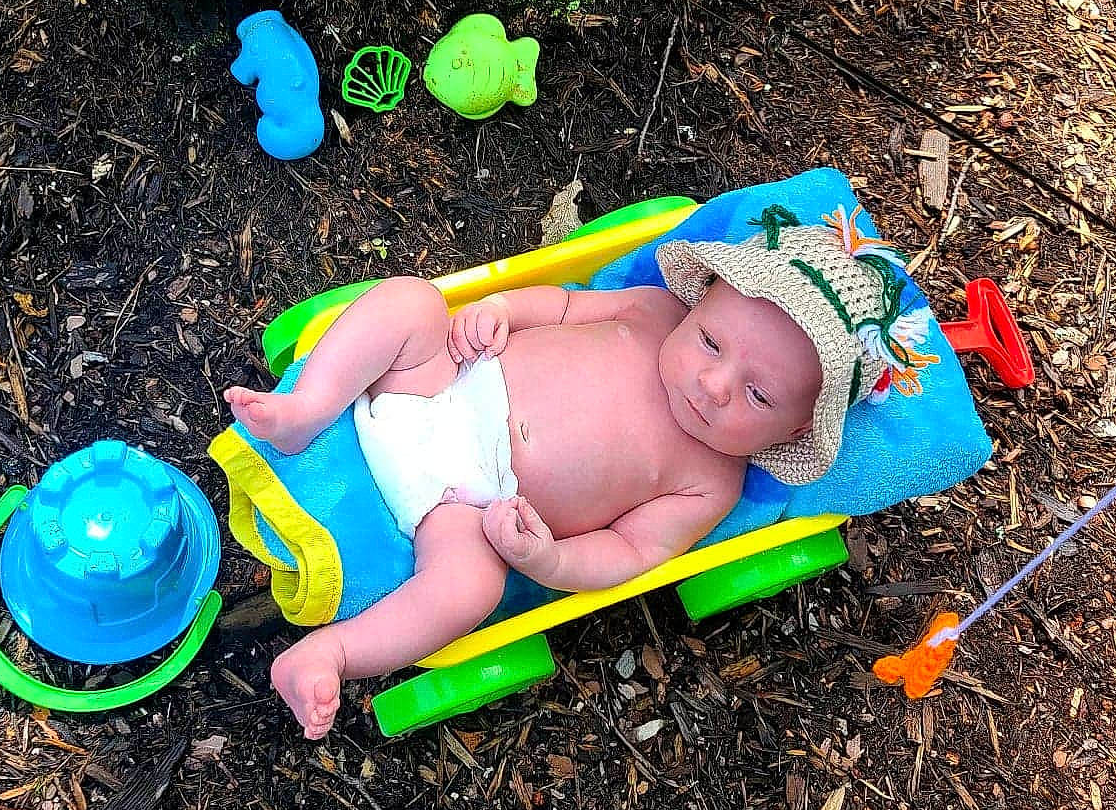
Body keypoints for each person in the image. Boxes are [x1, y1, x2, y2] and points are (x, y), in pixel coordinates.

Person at [224, 218, 910, 738]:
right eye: (710, 341)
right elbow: (559, 305)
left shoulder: (713, 481)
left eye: (758, 397)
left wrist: (547, 557)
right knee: (411, 302)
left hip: (466, 501)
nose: (714, 384)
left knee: (469, 587)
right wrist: (499, 313)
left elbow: (633, 554)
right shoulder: (650, 311)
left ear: (792, 431)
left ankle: (330, 656)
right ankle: (308, 409)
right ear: (702, 302)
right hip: (439, 376)